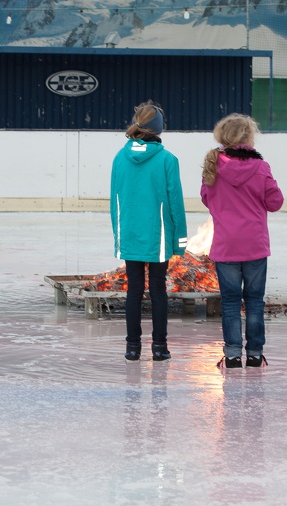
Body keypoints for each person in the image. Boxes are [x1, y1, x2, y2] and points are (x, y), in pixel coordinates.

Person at [200, 114, 284, 369]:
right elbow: (275, 202)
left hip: (226, 245)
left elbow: (207, 199)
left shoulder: (214, 165)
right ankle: (255, 354)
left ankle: (233, 354)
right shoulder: (261, 167)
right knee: (255, 301)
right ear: (248, 138)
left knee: (230, 302)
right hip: (254, 245)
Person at [110, 101, 188, 362]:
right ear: (158, 130)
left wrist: (118, 237)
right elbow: (176, 203)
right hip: (159, 237)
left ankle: (132, 348)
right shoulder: (167, 159)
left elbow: (115, 201)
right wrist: (179, 242)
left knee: (134, 290)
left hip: (131, 233)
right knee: (157, 290)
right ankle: (159, 348)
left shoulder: (120, 158)